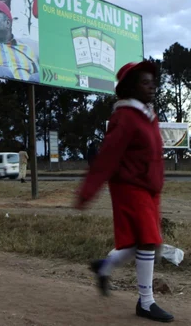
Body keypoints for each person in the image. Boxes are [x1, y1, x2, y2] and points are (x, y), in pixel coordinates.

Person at [74, 61, 174, 323]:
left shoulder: (147, 115)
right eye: (144, 81)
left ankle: (104, 266)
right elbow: (107, 157)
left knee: (144, 242)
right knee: (149, 240)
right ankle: (146, 302)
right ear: (130, 87)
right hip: (130, 187)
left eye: (153, 80)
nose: (151, 84)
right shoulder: (126, 118)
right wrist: (86, 193)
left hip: (149, 188)